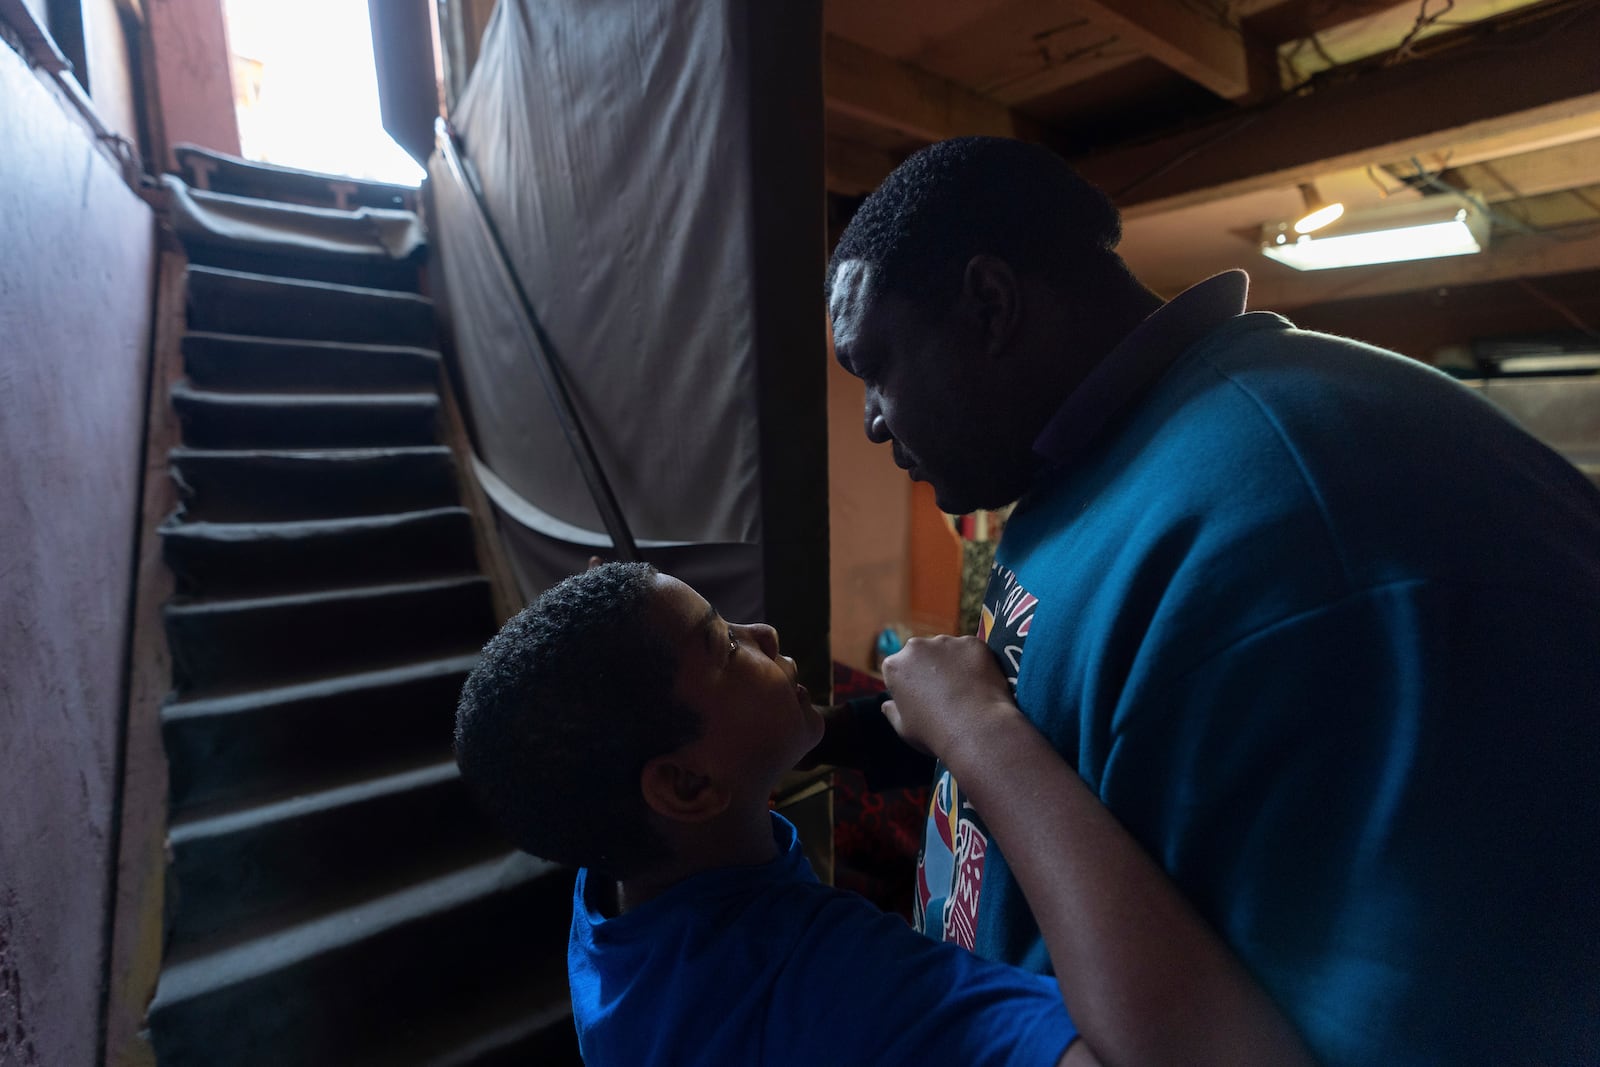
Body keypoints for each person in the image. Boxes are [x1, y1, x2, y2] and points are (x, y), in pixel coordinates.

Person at [822, 135, 1600, 1066]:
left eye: (874, 368)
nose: (870, 419)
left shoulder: (1307, 521)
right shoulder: (1086, 462)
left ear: (990, 305)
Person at [454, 562, 1314, 1066]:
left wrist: (842, 737)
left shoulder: (612, 901)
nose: (758, 631)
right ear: (685, 788)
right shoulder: (833, 984)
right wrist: (983, 734)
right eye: (720, 642)